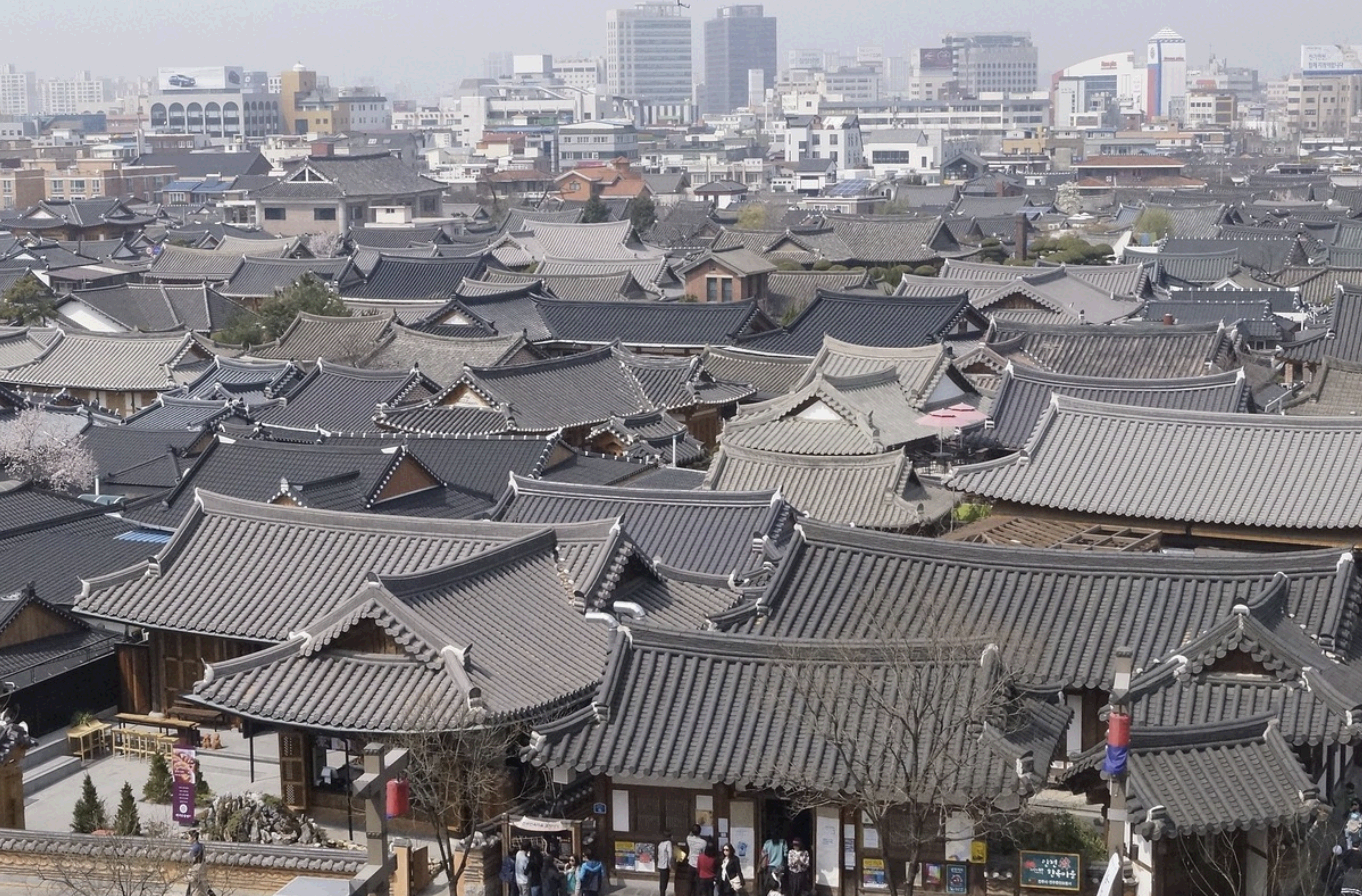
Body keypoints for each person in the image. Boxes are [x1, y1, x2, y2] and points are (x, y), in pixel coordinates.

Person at [186, 829, 213, 896]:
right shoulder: (202, 845)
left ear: (194, 838)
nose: (188, 838)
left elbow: (193, 859)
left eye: (189, 837)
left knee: (192, 882)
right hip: (202, 866)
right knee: (205, 885)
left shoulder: (194, 847)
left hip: (196, 868)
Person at [657, 831, 674, 896]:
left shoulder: (661, 843)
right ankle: (662, 894)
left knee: (662, 881)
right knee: (665, 881)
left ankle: (662, 893)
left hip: (660, 864)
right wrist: (670, 865)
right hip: (665, 865)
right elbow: (670, 855)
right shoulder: (668, 843)